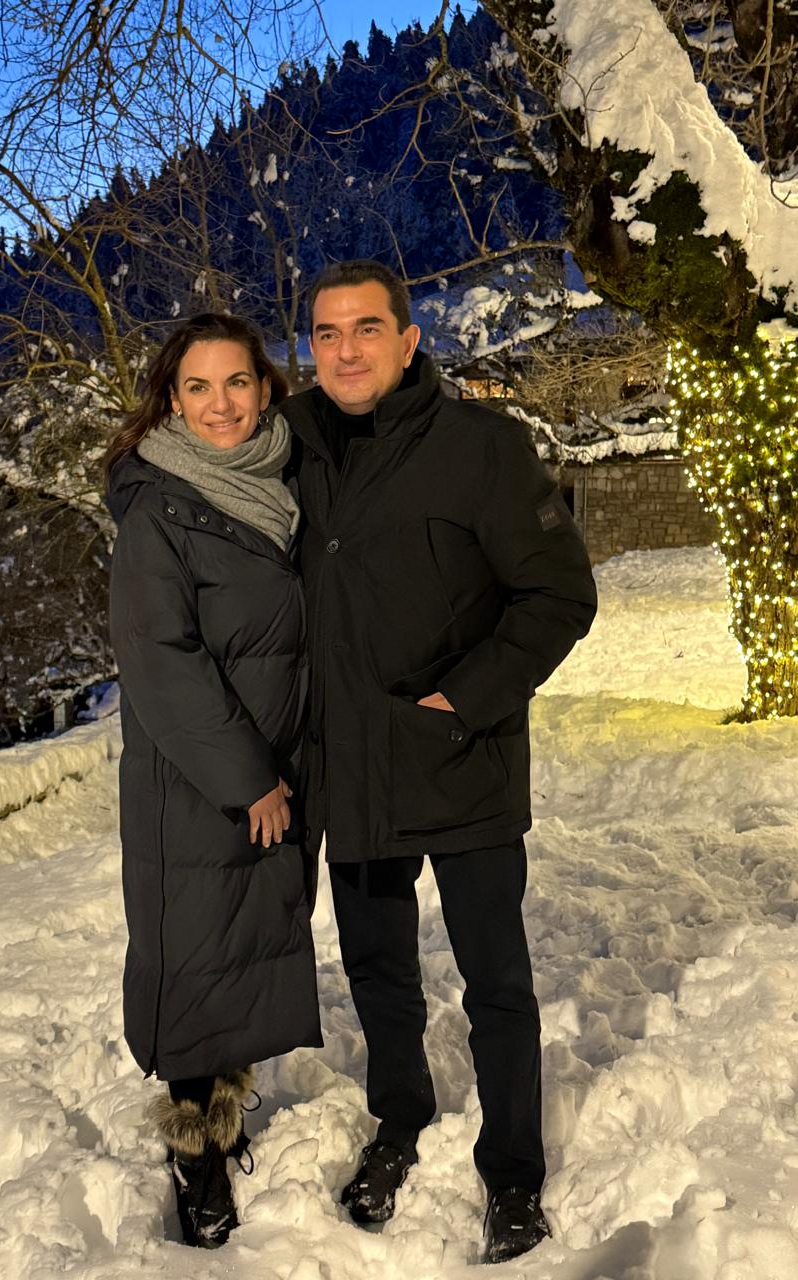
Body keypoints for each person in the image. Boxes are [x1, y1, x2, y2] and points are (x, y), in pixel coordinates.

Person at [281, 261, 597, 1264]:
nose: (346, 350)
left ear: (410, 339)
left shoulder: (481, 447)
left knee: (494, 977)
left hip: (461, 756)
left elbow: (558, 593)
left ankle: (513, 1171)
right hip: (351, 763)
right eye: (327, 333)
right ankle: (400, 1118)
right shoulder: (290, 446)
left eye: (367, 328)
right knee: (378, 970)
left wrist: (465, 698)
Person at [104, 313, 322, 1250]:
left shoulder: (283, 481)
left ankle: (227, 1110)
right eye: (197, 387)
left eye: (237, 382)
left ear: (265, 388)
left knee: (240, 946)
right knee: (195, 956)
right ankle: (195, 1154)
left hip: (275, 764)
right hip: (200, 779)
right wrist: (249, 778)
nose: (220, 404)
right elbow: (161, 661)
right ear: (170, 399)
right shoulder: (159, 508)